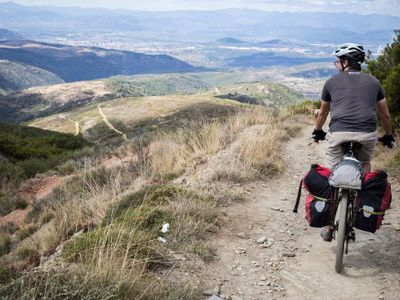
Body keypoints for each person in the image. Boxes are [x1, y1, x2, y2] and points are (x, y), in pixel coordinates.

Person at [311, 43, 396, 241]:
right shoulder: (375, 82)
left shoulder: (331, 81)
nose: (336, 65)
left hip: (338, 134)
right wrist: (389, 135)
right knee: (365, 166)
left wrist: (317, 131)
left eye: (338, 61)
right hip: (367, 135)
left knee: (331, 174)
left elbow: (323, 112)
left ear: (345, 62)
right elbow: (385, 114)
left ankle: (328, 224)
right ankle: (360, 207)